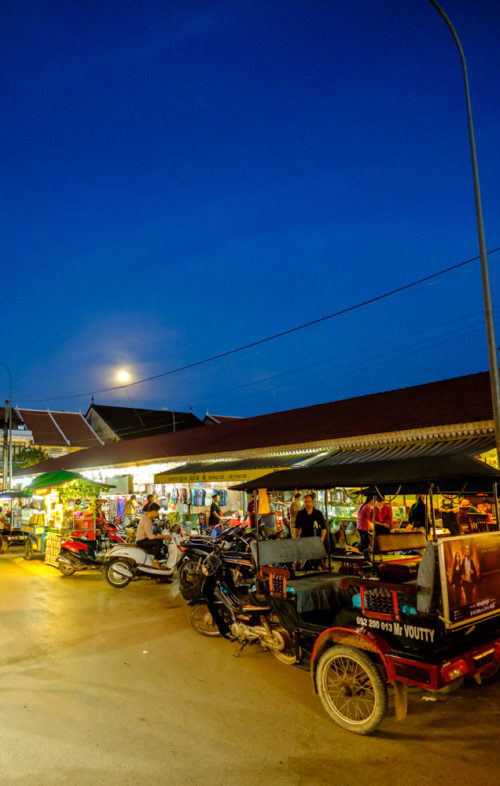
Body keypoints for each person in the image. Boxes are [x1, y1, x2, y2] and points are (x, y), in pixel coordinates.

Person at [135, 502, 171, 570]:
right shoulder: (146, 519)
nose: (157, 513)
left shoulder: (146, 516)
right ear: (153, 511)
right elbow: (150, 536)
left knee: (160, 543)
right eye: (157, 511)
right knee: (159, 541)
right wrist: (163, 536)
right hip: (141, 541)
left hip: (144, 539)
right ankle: (155, 561)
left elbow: (148, 534)